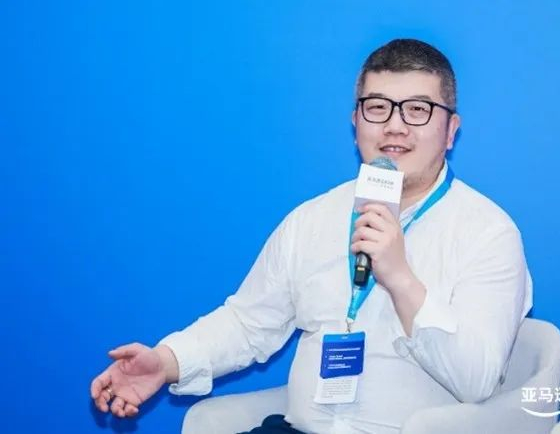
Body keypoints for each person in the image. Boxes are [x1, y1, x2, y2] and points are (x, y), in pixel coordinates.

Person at [90, 38, 532, 433]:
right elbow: (247, 324)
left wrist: (401, 278)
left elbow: (477, 380)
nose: (394, 126)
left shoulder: (488, 233)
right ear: (355, 122)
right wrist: (165, 362)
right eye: (378, 107)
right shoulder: (313, 219)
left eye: (417, 109)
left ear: (451, 131)